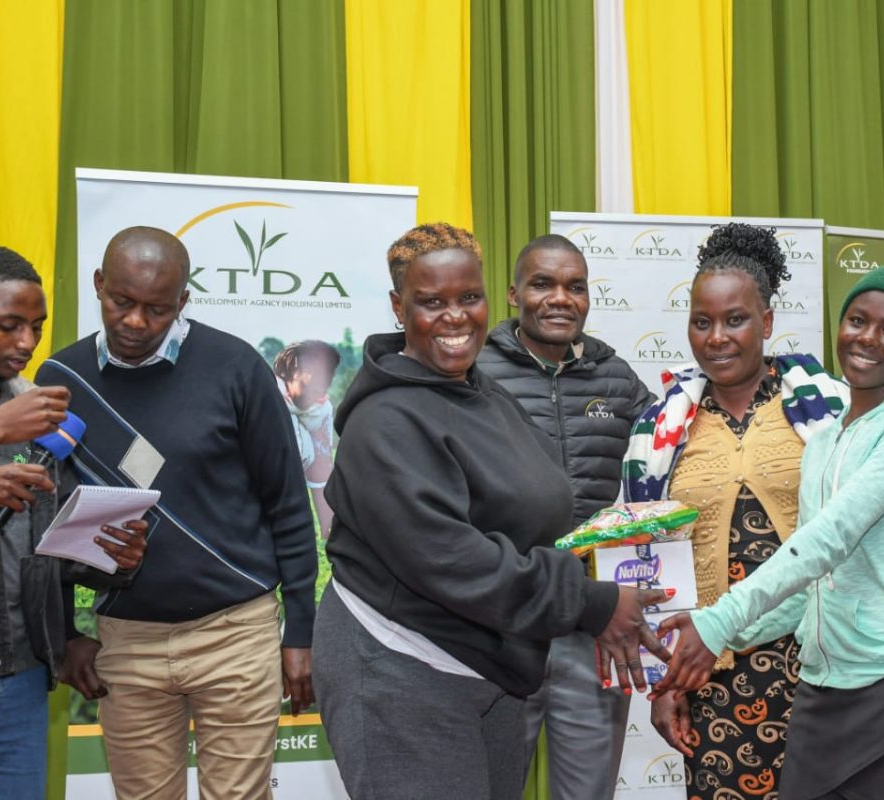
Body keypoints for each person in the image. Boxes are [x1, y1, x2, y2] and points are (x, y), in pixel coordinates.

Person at [313, 222, 670, 800]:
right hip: (400, 669)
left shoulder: (480, 392)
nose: (455, 316)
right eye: (432, 302)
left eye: (468, 297)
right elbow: (451, 559)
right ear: (398, 308)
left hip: (487, 663)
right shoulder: (385, 422)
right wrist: (590, 601)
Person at [653, 264, 884, 800]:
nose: (867, 338)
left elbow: (833, 535)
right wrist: (712, 644)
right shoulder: (825, 441)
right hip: (827, 689)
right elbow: (810, 585)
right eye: (857, 321)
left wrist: (719, 621)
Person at [35, 227, 318, 800]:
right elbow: (46, 522)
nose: (136, 322)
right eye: (122, 301)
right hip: (127, 641)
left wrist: (300, 632)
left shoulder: (235, 366)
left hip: (235, 633)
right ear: (98, 284)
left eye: (158, 309)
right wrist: (64, 634)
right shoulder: (61, 381)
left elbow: (288, 503)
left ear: (183, 301)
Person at [622, 223, 846, 797]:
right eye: (702, 322)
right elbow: (649, 563)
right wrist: (665, 682)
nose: (717, 337)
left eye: (735, 320)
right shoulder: (660, 428)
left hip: (829, 658)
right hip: (714, 669)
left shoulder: (828, 408)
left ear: (766, 323)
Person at [477, 234, 653, 799]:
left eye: (575, 287)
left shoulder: (617, 379)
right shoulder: (474, 373)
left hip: (595, 627)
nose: (560, 298)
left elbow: (672, 457)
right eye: (542, 284)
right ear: (513, 295)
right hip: (501, 628)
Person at [0, 245, 146, 799]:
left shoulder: (37, 411)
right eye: (9, 326)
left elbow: (42, 544)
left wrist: (109, 555)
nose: (28, 343)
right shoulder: (12, 419)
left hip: (20, 673)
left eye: (37, 327)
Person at [273, 340, 340, 534]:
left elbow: (321, 468)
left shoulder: (321, 409)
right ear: (295, 371)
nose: (323, 382)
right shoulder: (266, 394)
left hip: (288, 497)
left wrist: (328, 529)